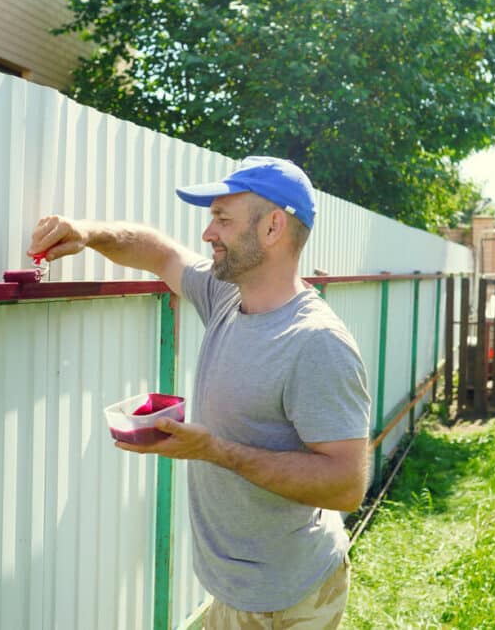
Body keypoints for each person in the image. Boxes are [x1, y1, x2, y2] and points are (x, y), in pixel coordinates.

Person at [28, 156, 371, 628]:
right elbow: (160, 253)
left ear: (273, 228)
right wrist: (87, 232)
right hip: (232, 589)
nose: (208, 234)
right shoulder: (227, 297)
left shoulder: (316, 343)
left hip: (287, 600)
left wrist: (214, 450)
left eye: (222, 219)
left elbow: (346, 485)